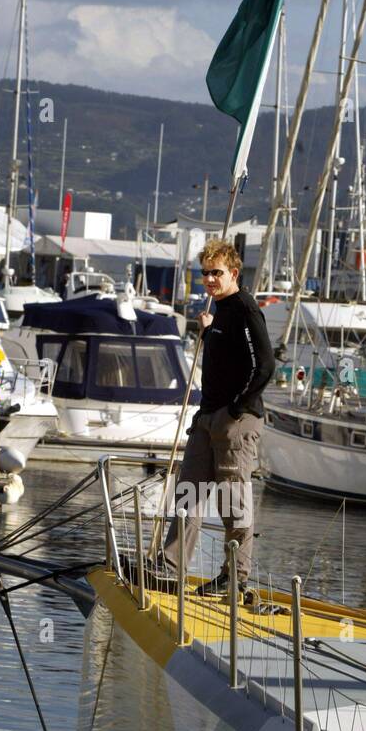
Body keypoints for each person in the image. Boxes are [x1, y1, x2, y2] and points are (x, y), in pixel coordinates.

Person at [147, 238, 275, 597]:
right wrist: (208, 329)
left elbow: (265, 366)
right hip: (206, 417)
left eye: (216, 273)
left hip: (236, 420)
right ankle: (170, 567)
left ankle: (235, 578)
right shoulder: (218, 313)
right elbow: (224, 357)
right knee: (188, 493)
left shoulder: (245, 309)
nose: (209, 280)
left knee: (233, 504)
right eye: (205, 273)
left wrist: (235, 408)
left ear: (233, 273)